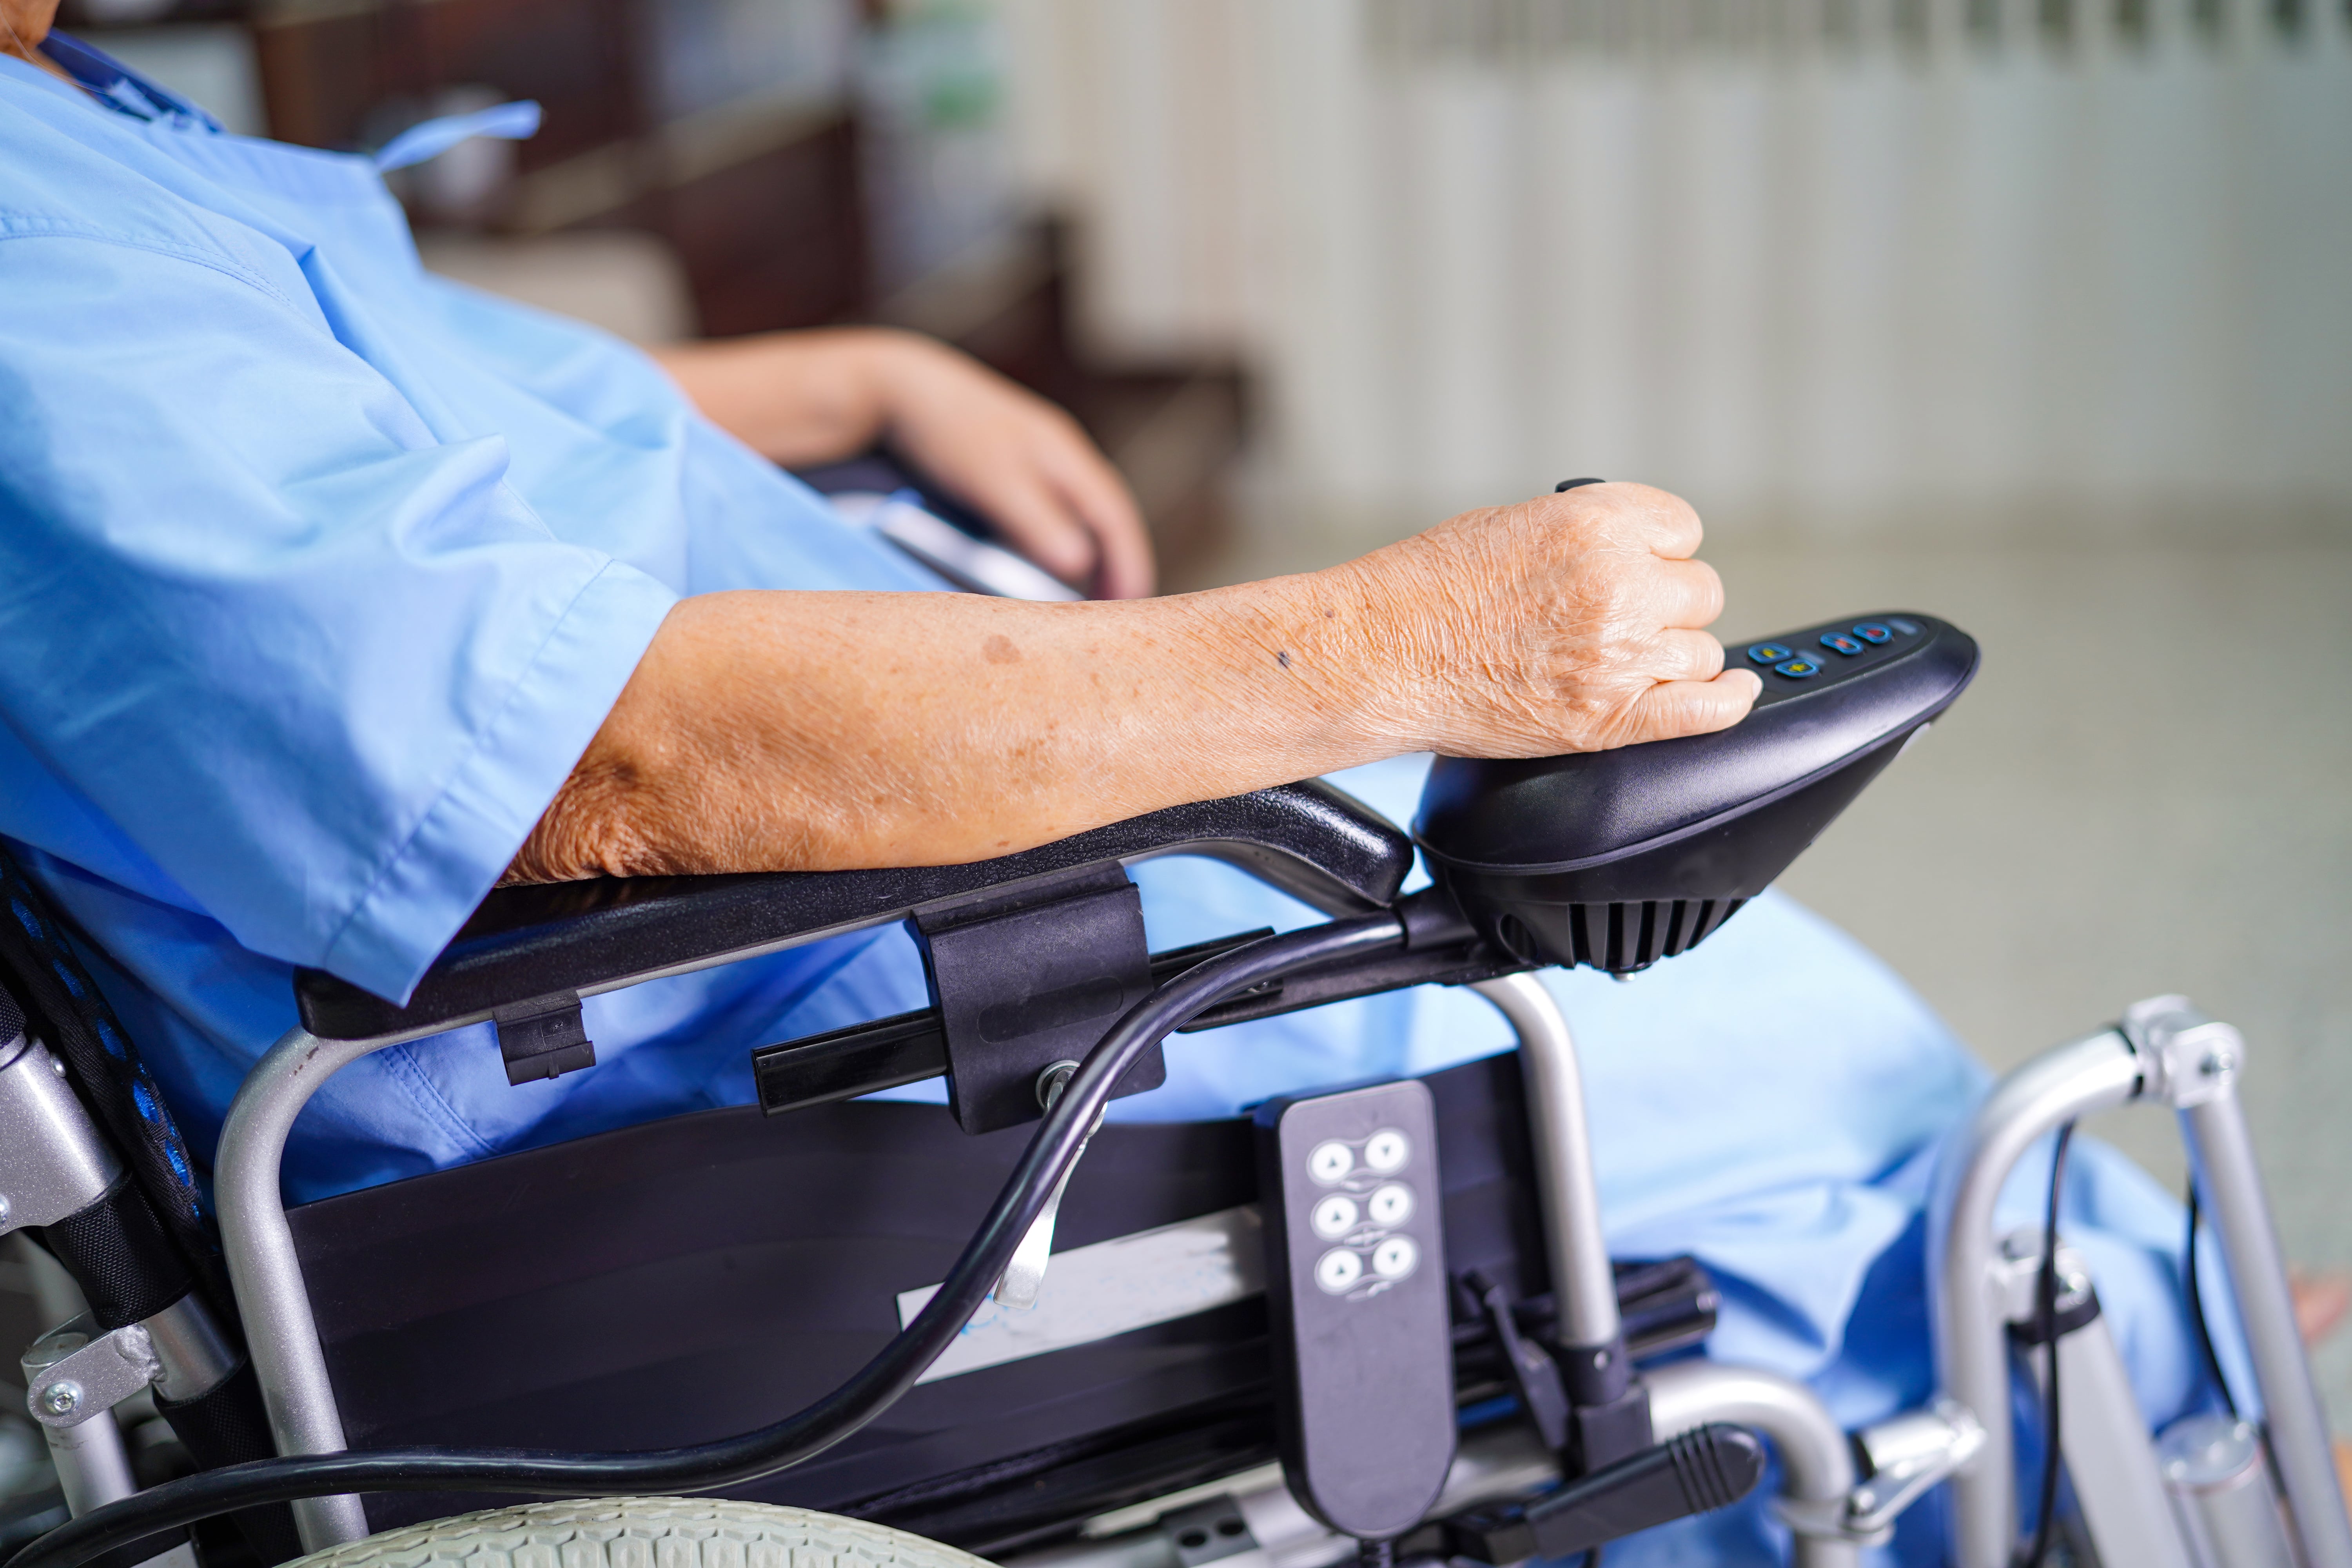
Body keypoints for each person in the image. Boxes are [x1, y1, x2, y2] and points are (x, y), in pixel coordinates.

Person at [0, 13, 2246, 1564]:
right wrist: (1397, 643)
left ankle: (2197, 1351)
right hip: (792, 1067)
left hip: (892, 933)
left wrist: (841, 375)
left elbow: (382, 419)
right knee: (1822, 1119)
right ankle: (2192, 1413)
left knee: (1814, 1034)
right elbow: (593, 761)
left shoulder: (64, 115)